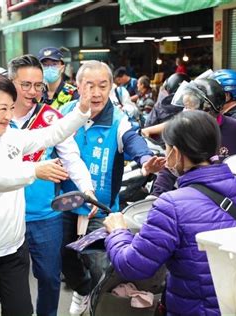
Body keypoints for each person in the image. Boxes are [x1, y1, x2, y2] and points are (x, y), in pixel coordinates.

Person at [0, 73, 92, 316]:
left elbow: (49, 134)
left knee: (21, 311)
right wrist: (34, 170)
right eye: (2, 108)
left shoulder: (10, 136)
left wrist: (81, 110)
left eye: (11, 108)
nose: (8, 116)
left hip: (13, 247)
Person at [103, 110, 236, 315]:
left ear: (176, 153)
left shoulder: (171, 205)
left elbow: (133, 266)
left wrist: (118, 232)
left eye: (167, 148)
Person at [59, 61, 164, 315]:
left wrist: (145, 161)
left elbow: (133, 140)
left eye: (102, 86)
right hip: (65, 203)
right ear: (78, 86)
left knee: (100, 267)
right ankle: (82, 290)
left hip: (102, 209)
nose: (96, 93)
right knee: (65, 260)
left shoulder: (119, 119)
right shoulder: (65, 113)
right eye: (89, 85)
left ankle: (99, 304)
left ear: (110, 87)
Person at [8, 54, 94, 316]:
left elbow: (71, 158)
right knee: (13, 283)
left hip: (46, 215)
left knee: (49, 278)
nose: (32, 91)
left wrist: (86, 189)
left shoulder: (51, 117)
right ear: (11, 82)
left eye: (38, 85)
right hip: (8, 216)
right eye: (25, 85)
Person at [148, 78, 236, 197]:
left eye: (189, 107)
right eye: (184, 106)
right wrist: (155, 195)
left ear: (208, 109)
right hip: (193, 198)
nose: (184, 112)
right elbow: (170, 167)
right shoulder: (184, 130)